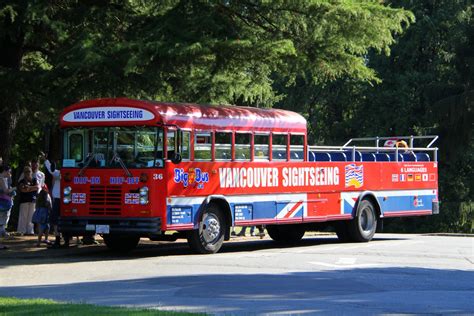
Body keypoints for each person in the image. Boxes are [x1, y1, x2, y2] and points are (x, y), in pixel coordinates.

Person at [44, 159, 62, 248]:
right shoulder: (62, 173)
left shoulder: (59, 174)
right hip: (66, 199)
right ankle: (65, 240)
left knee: (54, 219)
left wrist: (46, 161)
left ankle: (58, 240)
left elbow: (51, 170)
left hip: (58, 199)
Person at [17, 166, 39, 235]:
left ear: (31, 172)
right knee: (23, 216)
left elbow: (37, 187)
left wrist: (29, 187)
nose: (28, 173)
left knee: (31, 216)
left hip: (32, 200)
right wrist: (31, 188)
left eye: (29, 171)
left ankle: (30, 231)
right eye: (26, 172)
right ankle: (21, 231)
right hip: (24, 201)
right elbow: (23, 190)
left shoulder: (34, 180)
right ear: (24, 173)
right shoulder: (21, 181)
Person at [0, 165, 15, 238]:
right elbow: (6, 191)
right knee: (2, 217)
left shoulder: (4, 178)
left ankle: (2, 231)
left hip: (5, 200)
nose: (10, 174)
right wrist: (14, 188)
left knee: (4, 217)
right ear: (5, 171)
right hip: (3, 201)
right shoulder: (1, 178)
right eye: (9, 172)